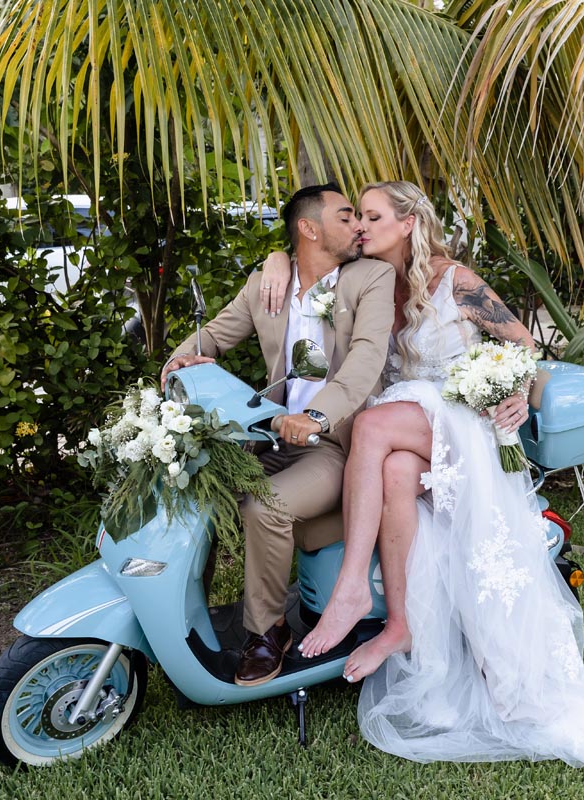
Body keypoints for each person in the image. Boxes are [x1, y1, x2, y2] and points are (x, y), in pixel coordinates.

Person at [258, 181, 584, 793]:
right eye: (357, 218)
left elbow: (523, 349)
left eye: (372, 216)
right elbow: (304, 253)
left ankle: (349, 595)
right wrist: (276, 258)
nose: (361, 226)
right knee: (392, 467)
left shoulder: (456, 279)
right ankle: (400, 623)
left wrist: (512, 399)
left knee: (371, 426)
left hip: (458, 417)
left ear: (409, 220)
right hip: (413, 423)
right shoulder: (369, 285)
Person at [161, 183, 394, 687]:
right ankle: (182, 617)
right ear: (309, 229)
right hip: (268, 438)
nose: (358, 225)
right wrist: (179, 364)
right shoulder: (267, 284)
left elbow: (367, 358)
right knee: (192, 489)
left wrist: (317, 417)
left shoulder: (371, 278)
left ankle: (267, 633)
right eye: (346, 215)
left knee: (265, 506)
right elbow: (212, 336)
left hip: (333, 444)